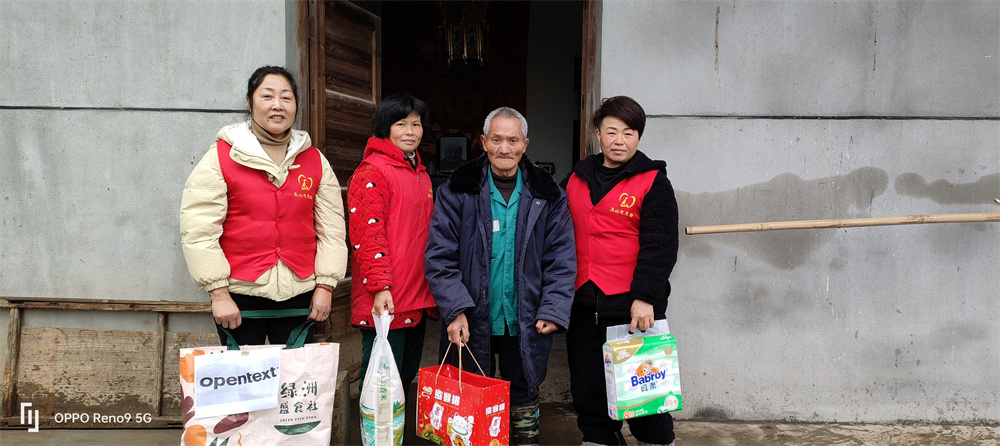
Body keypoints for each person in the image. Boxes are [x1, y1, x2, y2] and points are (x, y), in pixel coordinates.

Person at [425, 107, 576, 446]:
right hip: (471, 315)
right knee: (468, 400)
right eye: (496, 140)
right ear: (483, 143)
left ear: (525, 144)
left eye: (512, 140)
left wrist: (552, 308)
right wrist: (455, 309)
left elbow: (561, 257)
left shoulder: (547, 194)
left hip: (525, 315)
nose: (504, 148)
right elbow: (440, 256)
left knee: (524, 392)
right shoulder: (457, 191)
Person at [181, 66, 347, 346]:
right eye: (267, 96)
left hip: (301, 293)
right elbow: (198, 231)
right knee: (246, 385)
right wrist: (219, 294)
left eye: (286, 98)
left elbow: (332, 231)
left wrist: (325, 286)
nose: (277, 106)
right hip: (239, 296)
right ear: (249, 103)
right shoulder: (221, 157)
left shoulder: (315, 160)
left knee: (295, 383)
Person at [563, 96, 679, 446]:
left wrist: (645, 297)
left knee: (644, 390)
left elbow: (660, 246)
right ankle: (598, 439)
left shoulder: (653, 181)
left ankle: (657, 442)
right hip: (582, 300)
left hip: (631, 305)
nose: (619, 140)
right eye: (611, 131)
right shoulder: (576, 177)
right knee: (587, 385)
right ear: (597, 134)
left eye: (629, 133)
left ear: (638, 138)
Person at [347, 93, 437, 394]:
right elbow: (367, 236)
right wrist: (380, 287)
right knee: (381, 384)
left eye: (416, 124)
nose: (411, 131)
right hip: (386, 297)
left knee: (404, 376)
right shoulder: (373, 171)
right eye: (402, 124)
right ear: (385, 128)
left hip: (416, 295)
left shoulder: (419, 173)